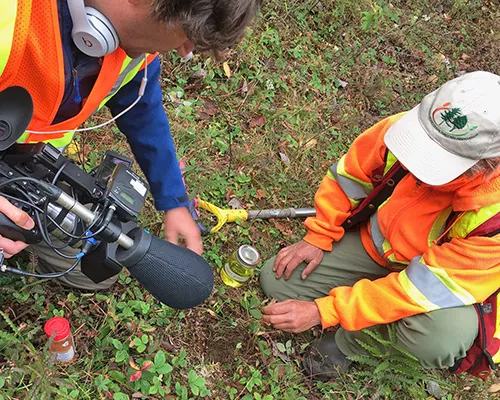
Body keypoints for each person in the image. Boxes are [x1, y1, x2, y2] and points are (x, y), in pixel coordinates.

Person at [0, 0, 260, 291]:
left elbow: (141, 107)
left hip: (27, 165)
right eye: (187, 34)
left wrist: (173, 198)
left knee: (93, 271)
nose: (186, 51)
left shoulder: (133, 45)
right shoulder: (9, 18)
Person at [260, 71, 500, 379]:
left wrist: (325, 311)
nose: (417, 164)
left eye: (438, 161)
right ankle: (369, 309)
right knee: (278, 281)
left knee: (438, 339)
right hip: (382, 247)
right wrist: (319, 234)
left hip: (447, 290)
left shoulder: (494, 219)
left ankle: (350, 344)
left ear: (489, 164)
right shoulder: (411, 129)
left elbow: (422, 289)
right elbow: (350, 176)